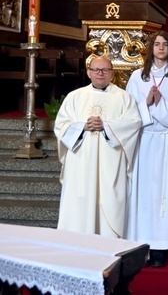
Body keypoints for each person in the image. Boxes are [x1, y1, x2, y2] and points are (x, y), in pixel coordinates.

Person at [54, 56, 141, 238]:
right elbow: (61, 126)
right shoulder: (75, 97)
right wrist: (82, 126)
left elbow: (133, 124)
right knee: (80, 206)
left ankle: (109, 246)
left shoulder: (124, 98)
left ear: (112, 73)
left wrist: (106, 126)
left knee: (108, 203)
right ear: (88, 72)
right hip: (81, 162)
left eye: (105, 70)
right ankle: (76, 247)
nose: (100, 73)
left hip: (110, 163)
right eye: (96, 70)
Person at [125, 31, 168, 267]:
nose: (161, 48)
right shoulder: (137, 77)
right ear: (151, 48)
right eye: (157, 44)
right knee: (145, 192)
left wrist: (160, 104)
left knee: (166, 190)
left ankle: (162, 245)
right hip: (145, 139)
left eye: (165, 44)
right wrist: (147, 104)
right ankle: (143, 242)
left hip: (167, 139)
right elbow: (129, 110)